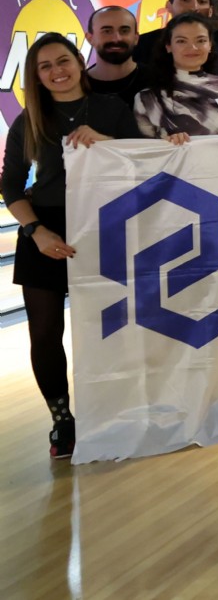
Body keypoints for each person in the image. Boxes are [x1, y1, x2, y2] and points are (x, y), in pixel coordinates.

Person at [3, 33, 140, 458]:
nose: (56, 71)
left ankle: (113, 410)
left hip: (102, 226)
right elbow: (11, 185)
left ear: (80, 62)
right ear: (36, 77)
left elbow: (143, 162)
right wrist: (36, 231)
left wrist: (107, 142)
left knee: (109, 329)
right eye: (44, 67)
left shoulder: (111, 109)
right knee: (45, 333)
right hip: (45, 231)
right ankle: (61, 418)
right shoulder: (30, 119)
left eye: (62, 61)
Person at [133, 13, 218, 142]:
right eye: (181, 41)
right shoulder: (147, 98)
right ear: (168, 46)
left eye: (200, 40)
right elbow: (145, 149)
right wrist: (168, 142)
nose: (192, 47)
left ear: (210, 45)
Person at [134, 0, 214, 63]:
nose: (194, 7)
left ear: (210, 11)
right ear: (169, 6)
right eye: (185, 0)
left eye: (202, 1)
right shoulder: (143, 44)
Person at [83, 5, 145, 104]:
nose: (116, 39)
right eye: (107, 31)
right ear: (90, 38)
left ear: (136, 38)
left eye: (124, 31)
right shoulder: (77, 87)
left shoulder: (160, 81)